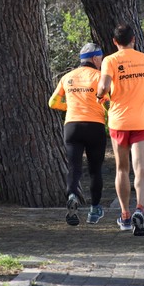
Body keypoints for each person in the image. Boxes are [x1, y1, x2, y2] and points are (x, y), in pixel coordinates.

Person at [96, 24, 144, 236]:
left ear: (114, 42)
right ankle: (140, 208)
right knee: (141, 169)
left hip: (119, 122)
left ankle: (125, 215)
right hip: (141, 121)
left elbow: (102, 87)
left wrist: (101, 96)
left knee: (122, 169)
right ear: (134, 39)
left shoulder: (110, 60)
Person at [48, 43, 107, 226]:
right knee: (95, 170)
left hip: (72, 125)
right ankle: (94, 210)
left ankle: (72, 195)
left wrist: (69, 107)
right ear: (95, 58)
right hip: (94, 125)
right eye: (101, 59)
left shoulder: (67, 77)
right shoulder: (99, 77)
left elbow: (53, 102)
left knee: (74, 168)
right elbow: (110, 102)